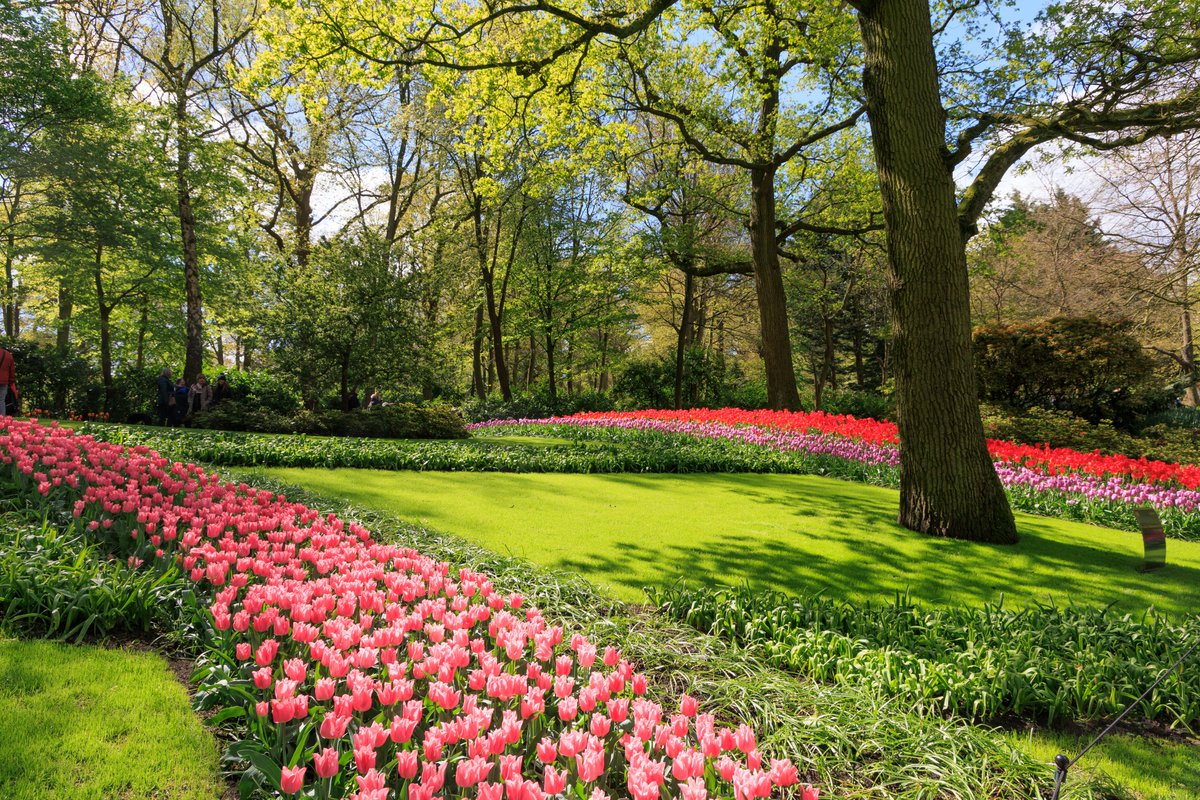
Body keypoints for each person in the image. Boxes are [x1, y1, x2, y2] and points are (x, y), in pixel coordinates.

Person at [0, 344, 14, 417]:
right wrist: (11, 381)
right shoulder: (8, 355)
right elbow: (12, 370)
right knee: (1, 401)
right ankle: (2, 421)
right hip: (4, 381)